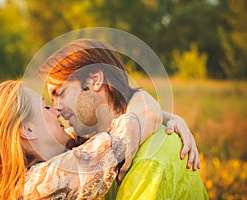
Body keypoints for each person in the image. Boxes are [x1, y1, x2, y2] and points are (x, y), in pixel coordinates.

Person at [39, 38, 208, 199]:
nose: (56, 109)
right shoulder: (97, 147)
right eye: (51, 101)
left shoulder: (149, 160)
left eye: (60, 93)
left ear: (95, 80)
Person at [0, 80, 144, 199]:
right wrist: (143, 104)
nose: (56, 111)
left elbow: (77, 138)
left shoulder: (13, 185)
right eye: (46, 108)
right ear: (28, 130)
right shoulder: (36, 187)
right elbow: (120, 139)